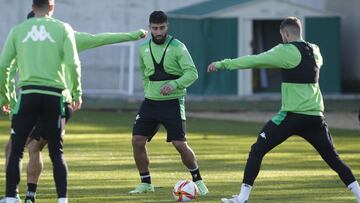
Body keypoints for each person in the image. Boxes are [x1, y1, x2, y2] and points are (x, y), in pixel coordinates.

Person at [207, 16, 360, 203]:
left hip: (291, 117)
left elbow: (254, 60)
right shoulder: (315, 50)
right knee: (334, 159)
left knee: (257, 150)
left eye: (282, 36)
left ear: (286, 34)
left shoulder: (285, 50)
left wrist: (223, 64)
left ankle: (242, 198)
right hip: (315, 117)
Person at [0, 10, 147, 203]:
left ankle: (20, 196)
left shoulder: (24, 39)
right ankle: (31, 196)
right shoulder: (62, 34)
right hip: (56, 101)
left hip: (39, 100)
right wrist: (134, 34)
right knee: (35, 148)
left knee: (21, 147)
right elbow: (98, 40)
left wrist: (7, 97)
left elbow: (6, 71)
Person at [0, 0, 82, 202]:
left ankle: (11, 197)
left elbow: (3, 66)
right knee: (57, 152)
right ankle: (62, 199)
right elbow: (73, 63)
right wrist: (77, 93)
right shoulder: (63, 28)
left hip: (29, 95)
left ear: (32, 6)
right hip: (54, 96)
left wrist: (5, 96)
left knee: (17, 149)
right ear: (52, 7)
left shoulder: (18, 30)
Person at [129, 11, 208, 195]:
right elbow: (144, 74)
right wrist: (149, 91)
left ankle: (198, 181)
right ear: (149, 28)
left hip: (172, 103)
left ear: (167, 26)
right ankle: (146, 183)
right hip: (150, 103)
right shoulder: (143, 49)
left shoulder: (178, 47)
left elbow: (192, 73)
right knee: (137, 141)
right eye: (155, 28)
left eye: (162, 28)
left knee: (179, 144)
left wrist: (174, 84)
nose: (158, 32)